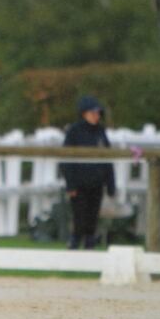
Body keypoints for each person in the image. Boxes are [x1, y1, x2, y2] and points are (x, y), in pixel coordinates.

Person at [60, 95, 116, 249]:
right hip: (79, 184)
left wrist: (111, 184)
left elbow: (107, 158)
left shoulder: (100, 132)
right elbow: (66, 159)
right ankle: (74, 243)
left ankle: (89, 245)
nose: (96, 116)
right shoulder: (74, 131)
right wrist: (70, 184)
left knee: (93, 216)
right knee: (79, 217)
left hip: (96, 183)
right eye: (93, 113)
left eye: (98, 113)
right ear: (84, 114)